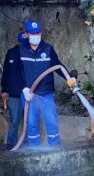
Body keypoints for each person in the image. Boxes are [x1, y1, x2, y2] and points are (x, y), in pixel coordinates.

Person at [18, 19, 77, 147]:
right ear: (27, 34)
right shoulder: (20, 50)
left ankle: (55, 150)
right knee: (31, 124)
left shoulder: (48, 49)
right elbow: (15, 72)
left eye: (37, 33)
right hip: (29, 94)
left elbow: (58, 66)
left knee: (51, 122)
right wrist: (23, 88)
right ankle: (34, 152)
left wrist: (69, 77)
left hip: (46, 93)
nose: (35, 36)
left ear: (41, 33)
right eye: (32, 33)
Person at [2, 32, 27, 150]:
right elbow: (6, 72)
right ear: (18, 41)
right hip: (14, 92)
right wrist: (4, 89)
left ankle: (29, 143)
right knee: (14, 120)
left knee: (29, 120)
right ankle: (11, 144)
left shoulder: (31, 53)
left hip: (29, 93)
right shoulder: (11, 53)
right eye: (22, 42)